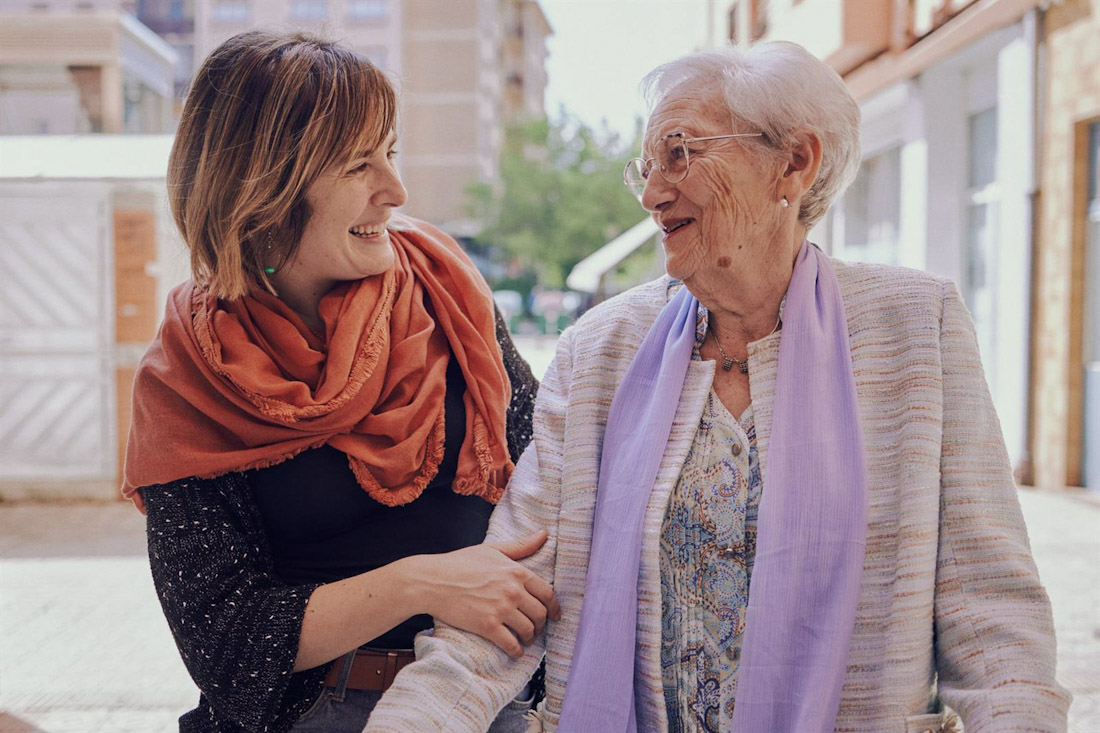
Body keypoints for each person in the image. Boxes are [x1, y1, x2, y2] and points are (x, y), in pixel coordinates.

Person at [363, 41, 1071, 733]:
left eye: (680, 153)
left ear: (794, 162)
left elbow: (996, 628)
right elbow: (497, 617)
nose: (652, 194)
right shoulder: (600, 349)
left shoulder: (915, 328)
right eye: (645, 169)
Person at [122, 30, 559, 733]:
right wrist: (420, 582)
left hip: (482, 698)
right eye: (359, 165)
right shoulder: (186, 375)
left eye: (391, 153)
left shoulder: (448, 297)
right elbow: (226, 646)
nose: (396, 190)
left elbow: (554, 491)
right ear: (264, 188)